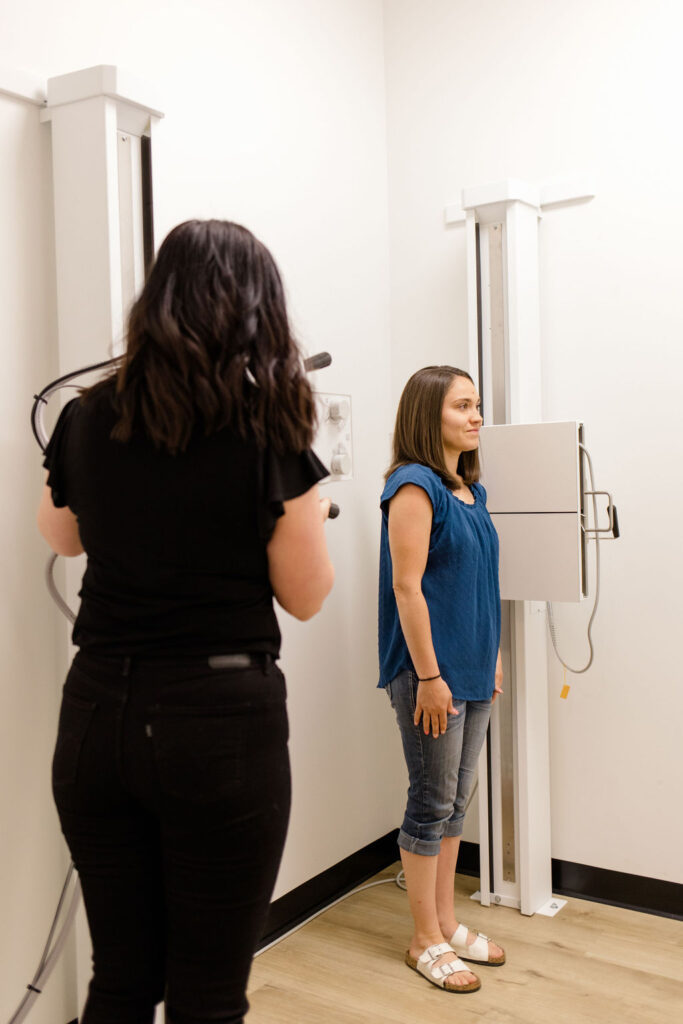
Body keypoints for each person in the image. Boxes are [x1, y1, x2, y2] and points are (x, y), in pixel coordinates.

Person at [37, 220, 335, 1024]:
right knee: (206, 992)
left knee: (122, 979)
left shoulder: (87, 416)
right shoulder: (270, 426)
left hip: (97, 712)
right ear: (256, 311)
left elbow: (62, 535)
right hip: (218, 725)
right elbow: (305, 595)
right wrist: (306, 515)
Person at [378, 364, 505, 993]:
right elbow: (407, 588)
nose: (476, 415)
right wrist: (430, 676)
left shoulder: (471, 493)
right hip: (431, 676)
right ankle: (423, 939)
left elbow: (478, 585)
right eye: (462, 406)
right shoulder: (412, 486)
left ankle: (448, 923)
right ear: (429, 416)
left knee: (456, 802)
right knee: (430, 803)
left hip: (472, 671)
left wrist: (493, 655)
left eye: (477, 404)